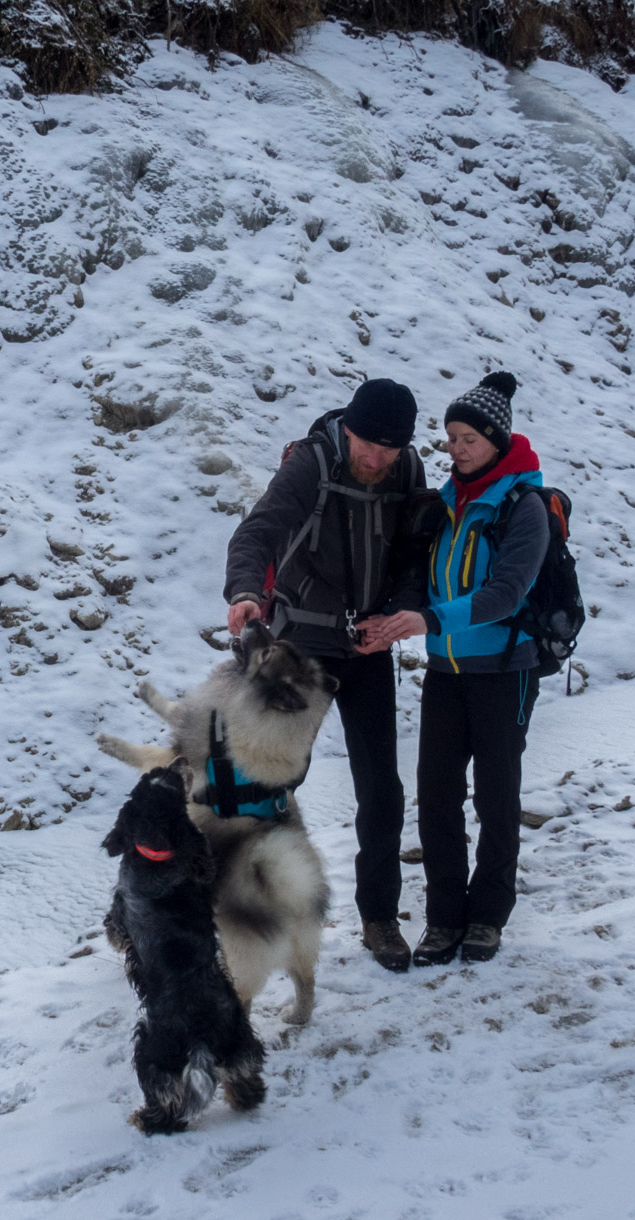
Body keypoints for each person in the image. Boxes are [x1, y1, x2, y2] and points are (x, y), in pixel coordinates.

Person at [222, 377, 432, 972]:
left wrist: (394, 614)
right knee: (269, 786)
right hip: (300, 645)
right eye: (367, 444)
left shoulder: (405, 469)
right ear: (349, 429)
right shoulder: (313, 463)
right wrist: (243, 591)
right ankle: (245, 914)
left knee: (382, 789)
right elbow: (257, 531)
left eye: (388, 450)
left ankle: (379, 918)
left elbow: (414, 555)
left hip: (367, 645)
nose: (375, 458)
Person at [399, 371, 548, 966]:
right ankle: (444, 918)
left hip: (505, 670)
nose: (455, 448)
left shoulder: (523, 505)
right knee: (436, 797)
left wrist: (430, 621)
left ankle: (487, 916)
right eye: (451, 437)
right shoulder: (445, 502)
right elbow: (416, 571)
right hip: (446, 672)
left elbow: (508, 593)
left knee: (496, 797)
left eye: (468, 439)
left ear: (496, 440)